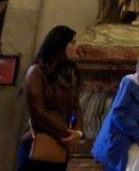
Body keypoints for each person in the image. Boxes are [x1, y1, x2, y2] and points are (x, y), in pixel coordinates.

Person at [16, 25, 83, 171]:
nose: (77, 46)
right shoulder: (37, 72)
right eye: (72, 43)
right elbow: (38, 111)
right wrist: (65, 132)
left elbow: (76, 105)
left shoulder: (70, 73)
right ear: (60, 46)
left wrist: (78, 131)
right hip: (40, 142)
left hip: (60, 145)